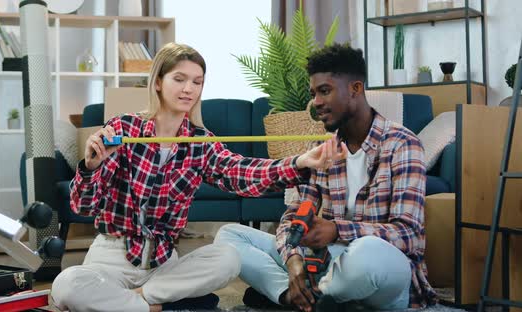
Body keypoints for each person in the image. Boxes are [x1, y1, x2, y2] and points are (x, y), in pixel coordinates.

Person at [50, 42, 339, 312]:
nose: (189, 88)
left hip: (164, 265)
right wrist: (91, 167)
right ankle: (152, 305)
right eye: (180, 79)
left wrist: (300, 161)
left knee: (228, 258)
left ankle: (133, 302)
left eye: (197, 82)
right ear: (159, 82)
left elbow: (242, 173)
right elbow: (82, 207)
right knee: (66, 285)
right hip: (111, 258)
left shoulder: (201, 142)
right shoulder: (123, 128)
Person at [215, 43, 437, 312]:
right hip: (324, 263)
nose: (316, 103)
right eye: (313, 93)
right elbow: (293, 217)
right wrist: (294, 260)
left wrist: (336, 230)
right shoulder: (320, 151)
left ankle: (314, 295)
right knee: (230, 235)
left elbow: (409, 235)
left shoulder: (403, 144)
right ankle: (294, 296)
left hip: (381, 273)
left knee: (367, 252)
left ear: (355, 89)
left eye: (324, 91)